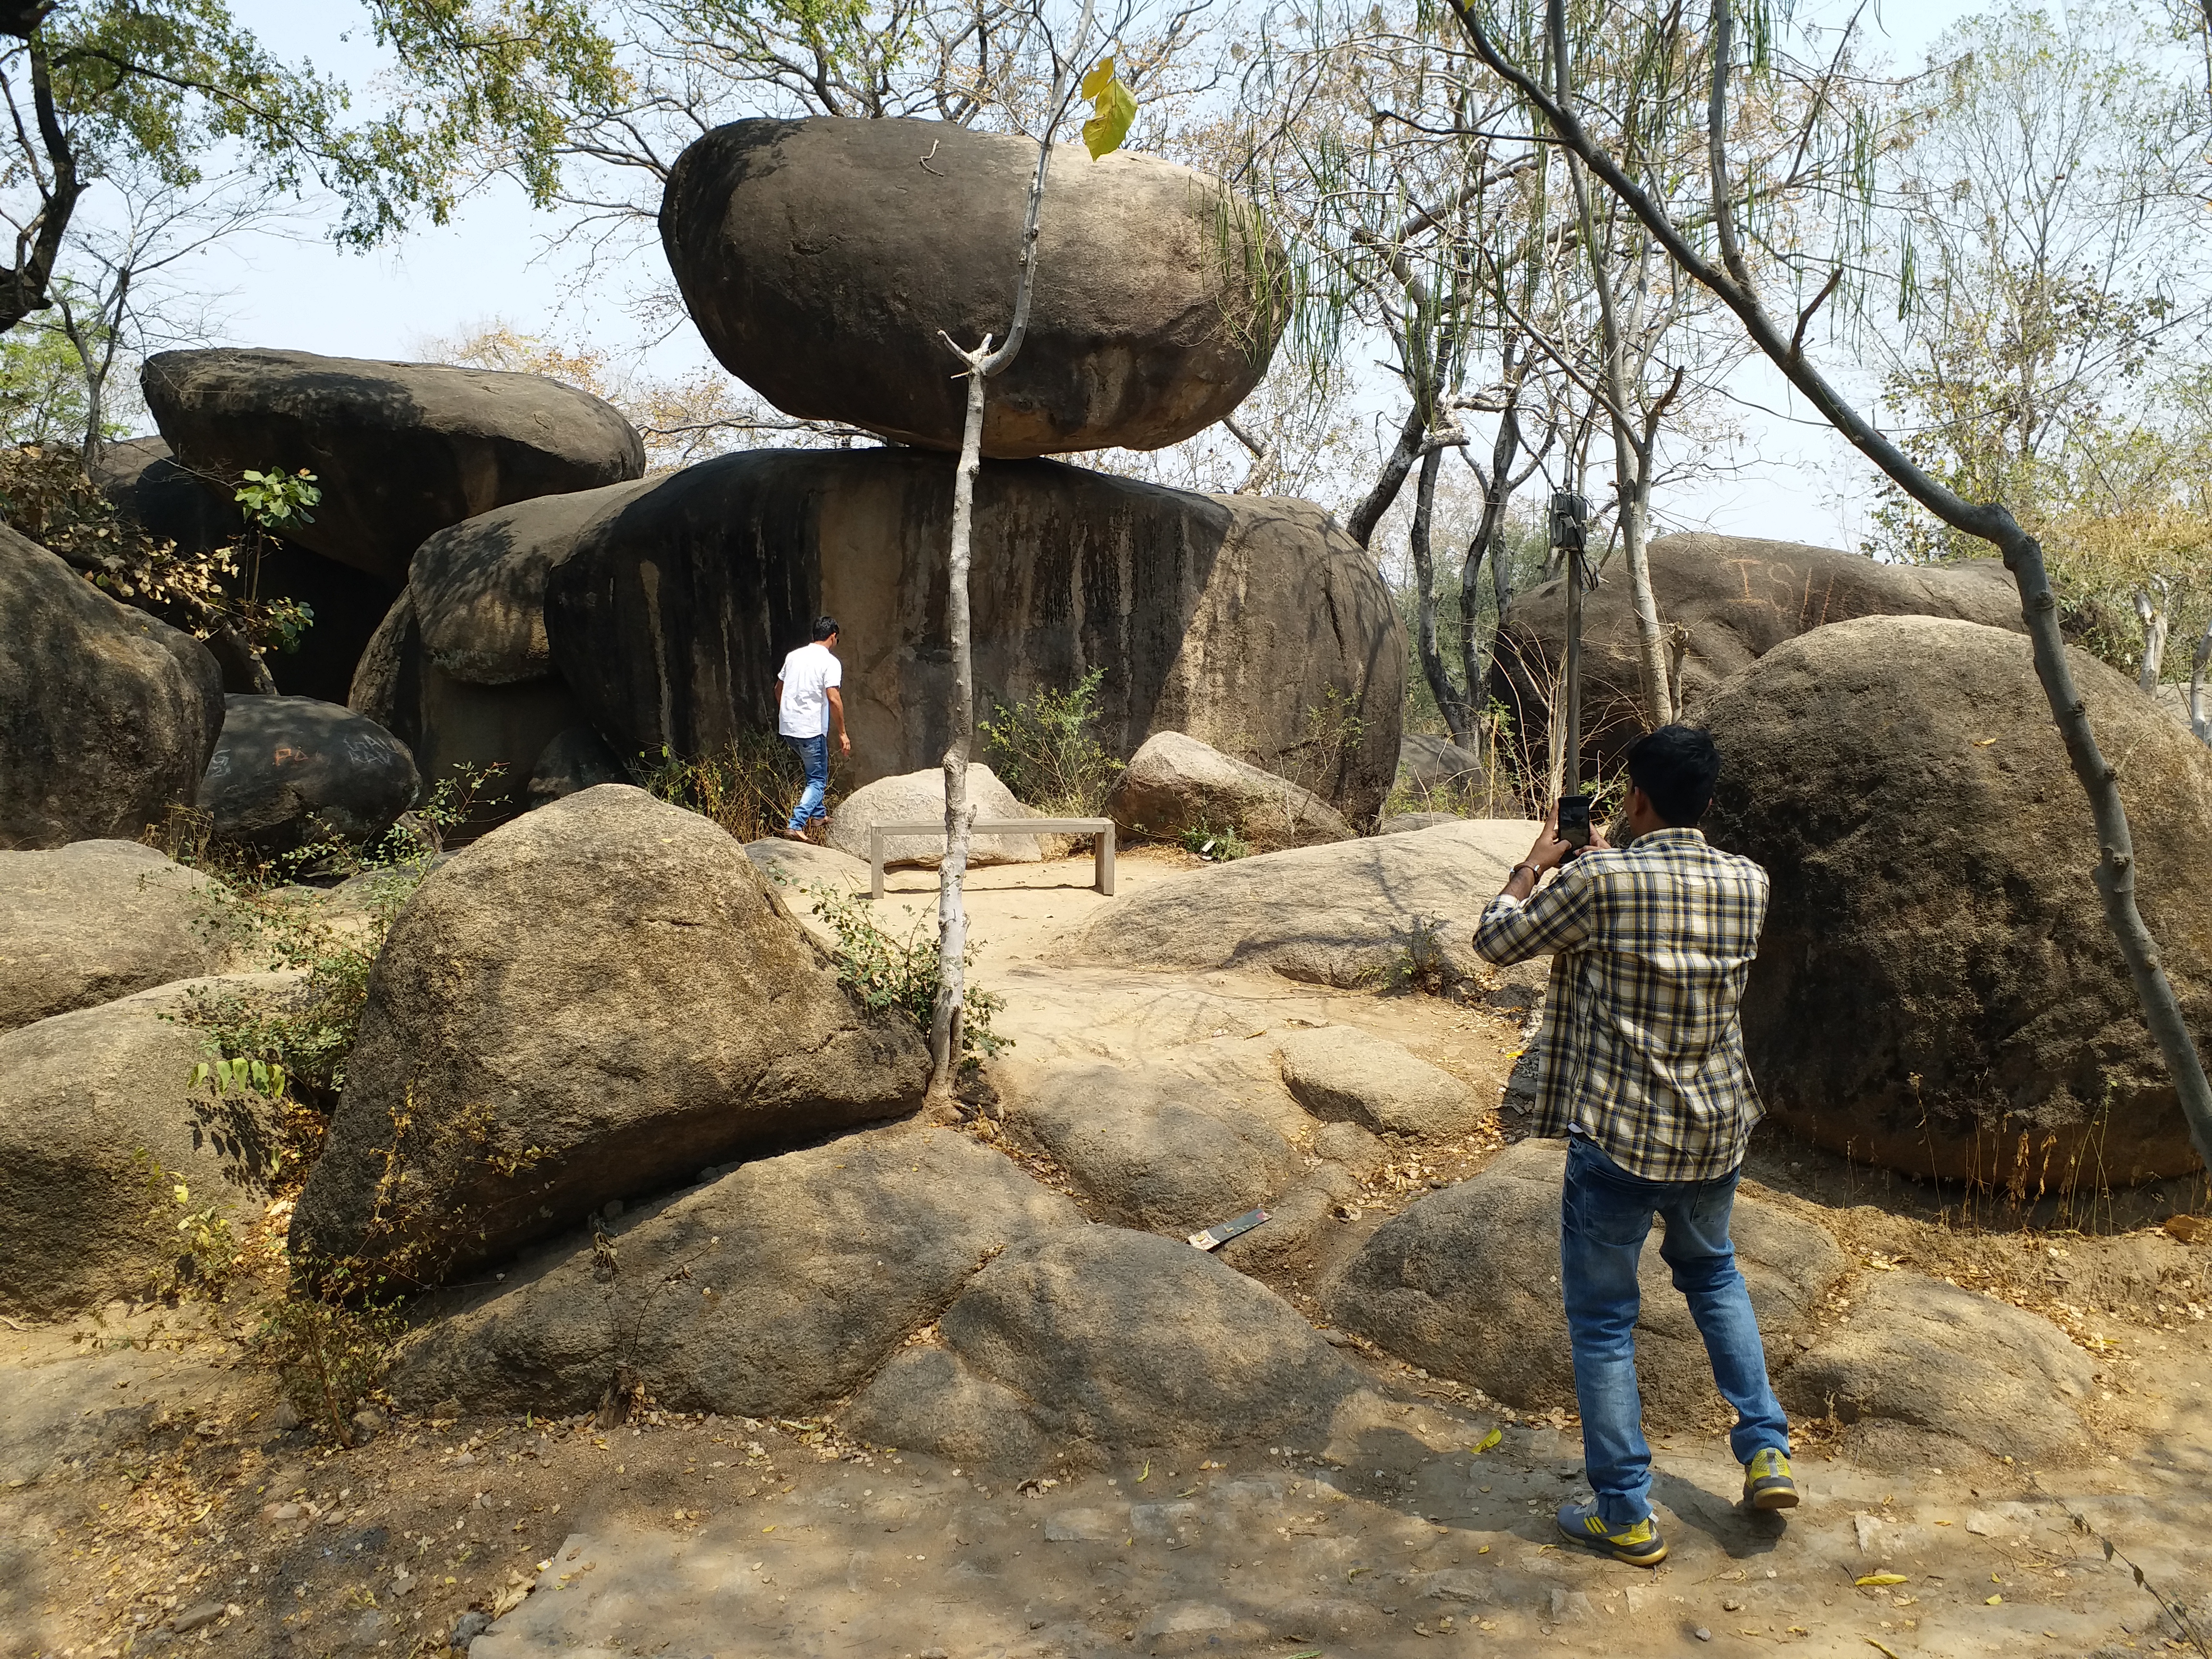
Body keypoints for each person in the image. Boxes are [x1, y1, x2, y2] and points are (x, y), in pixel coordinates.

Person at [1473, 724, 1795, 1569]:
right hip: (1713, 1131)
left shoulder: (1603, 880)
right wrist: (1612, 854)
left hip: (1618, 1138)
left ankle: (1624, 1509)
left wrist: (1534, 864)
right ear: (1708, 802)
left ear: (1637, 800)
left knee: (1605, 1322)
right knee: (1713, 1274)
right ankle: (1764, 1448)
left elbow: (1495, 944)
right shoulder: (1747, 881)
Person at [773, 616, 850, 842]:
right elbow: (834, 699)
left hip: (789, 729)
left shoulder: (793, 656)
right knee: (818, 780)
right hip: (810, 730)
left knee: (813, 772)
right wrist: (843, 733)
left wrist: (787, 712)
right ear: (833, 636)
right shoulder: (830, 662)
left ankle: (819, 816)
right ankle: (796, 824)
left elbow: (778, 688)